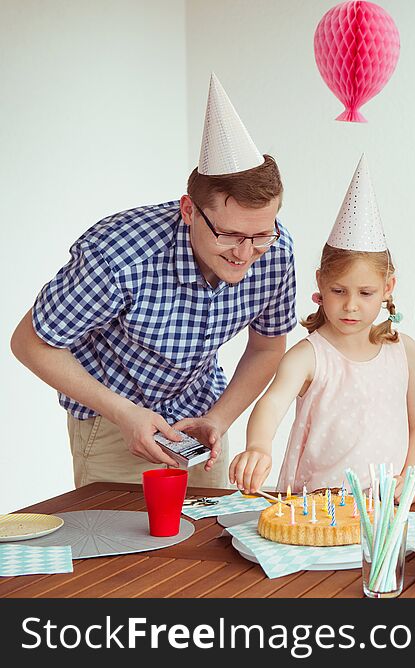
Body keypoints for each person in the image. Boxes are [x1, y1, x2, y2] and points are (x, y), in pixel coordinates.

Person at [10, 74, 297, 487]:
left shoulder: (276, 251)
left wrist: (220, 417)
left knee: (208, 545)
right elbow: (30, 341)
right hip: (113, 425)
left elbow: (268, 346)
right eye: (230, 235)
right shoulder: (119, 256)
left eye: (260, 235)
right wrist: (124, 414)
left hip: (199, 420)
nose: (244, 253)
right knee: (118, 550)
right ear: (189, 210)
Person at [229, 157, 415, 500]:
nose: (351, 305)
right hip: (323, 505)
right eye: (339, 291)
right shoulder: (308, 356)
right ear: (321, 284)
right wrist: (258, 447)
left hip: (394, 504)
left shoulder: (404, 350)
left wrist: (409, 477)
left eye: (365, 293)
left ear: (388, 288)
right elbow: (272, 403)